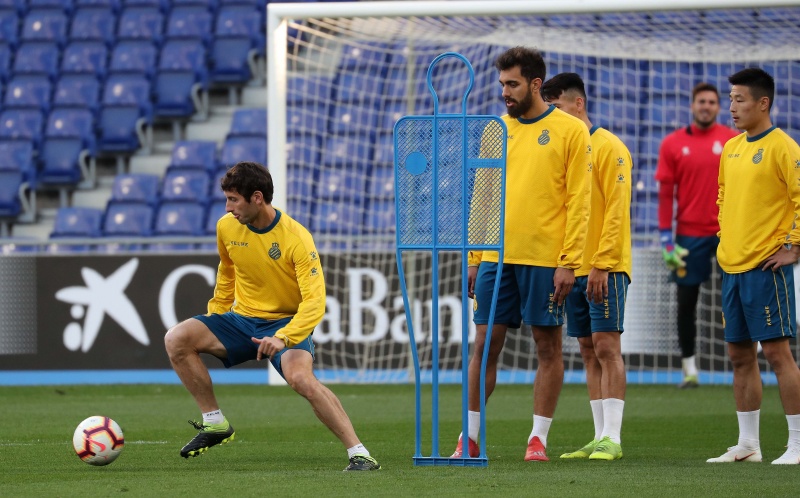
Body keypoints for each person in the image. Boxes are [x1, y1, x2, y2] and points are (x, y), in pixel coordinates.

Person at [164, 162, 380, 471]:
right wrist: (216, 315)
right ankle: (214, 423)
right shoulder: (226, 226)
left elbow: (315, 302)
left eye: (233, 199)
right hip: (240, 320)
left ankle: (360, 453)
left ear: (256, 198)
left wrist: (284, 336)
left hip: (285, 323)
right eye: (226, 199)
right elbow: (227, 272)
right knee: (177, 339)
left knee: (302, 380)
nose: (228, 207)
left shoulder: (296, 238)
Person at [451, 46, 591, 461]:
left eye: (512, 85)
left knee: (547, 347)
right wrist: (475, 256)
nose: (505, 93)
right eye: (501, 85)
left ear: (535, 84)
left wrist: (569, 262)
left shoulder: (570, 130)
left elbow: (580, 202)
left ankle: (538, 439)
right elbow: (483, 195)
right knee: (484, 344)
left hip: (546, 259)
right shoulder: (497, 129)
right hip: (496, 256)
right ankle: (470, 437)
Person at [707, 68, 800, 465]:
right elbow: (724, 194)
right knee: (739, 356)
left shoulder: (784, 147)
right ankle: (748, 445)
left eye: (739, 99)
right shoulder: (731, 148)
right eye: (730, 99)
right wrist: (726, 237)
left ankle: (797, 442)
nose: (731, 107)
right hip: (733, 268)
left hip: (767, 270)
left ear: (763, 103)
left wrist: (794, 247)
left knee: (778, 355)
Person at [540, 72, 632, 461]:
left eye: (558, 108)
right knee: (588, 349)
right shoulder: (566, 151)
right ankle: (599, 436)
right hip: (573, 267)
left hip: (603, 267)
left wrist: (603, 263)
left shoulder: (610, 147)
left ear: (578, 104)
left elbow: (615, 209)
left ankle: (614, 436)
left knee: (608, 346)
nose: (554, 116)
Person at [655, 83, 739, 388]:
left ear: (718, 107)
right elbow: (665, 195)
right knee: (686, 303)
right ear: (692, 106)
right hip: (688, 236)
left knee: (738, 297)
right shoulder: (672, 144)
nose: (706, 106)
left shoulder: (732, 141)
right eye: (701, 101)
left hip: (728, 233)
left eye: (712, 102)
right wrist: (666, 238)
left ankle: (746, 360)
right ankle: (689, 370)